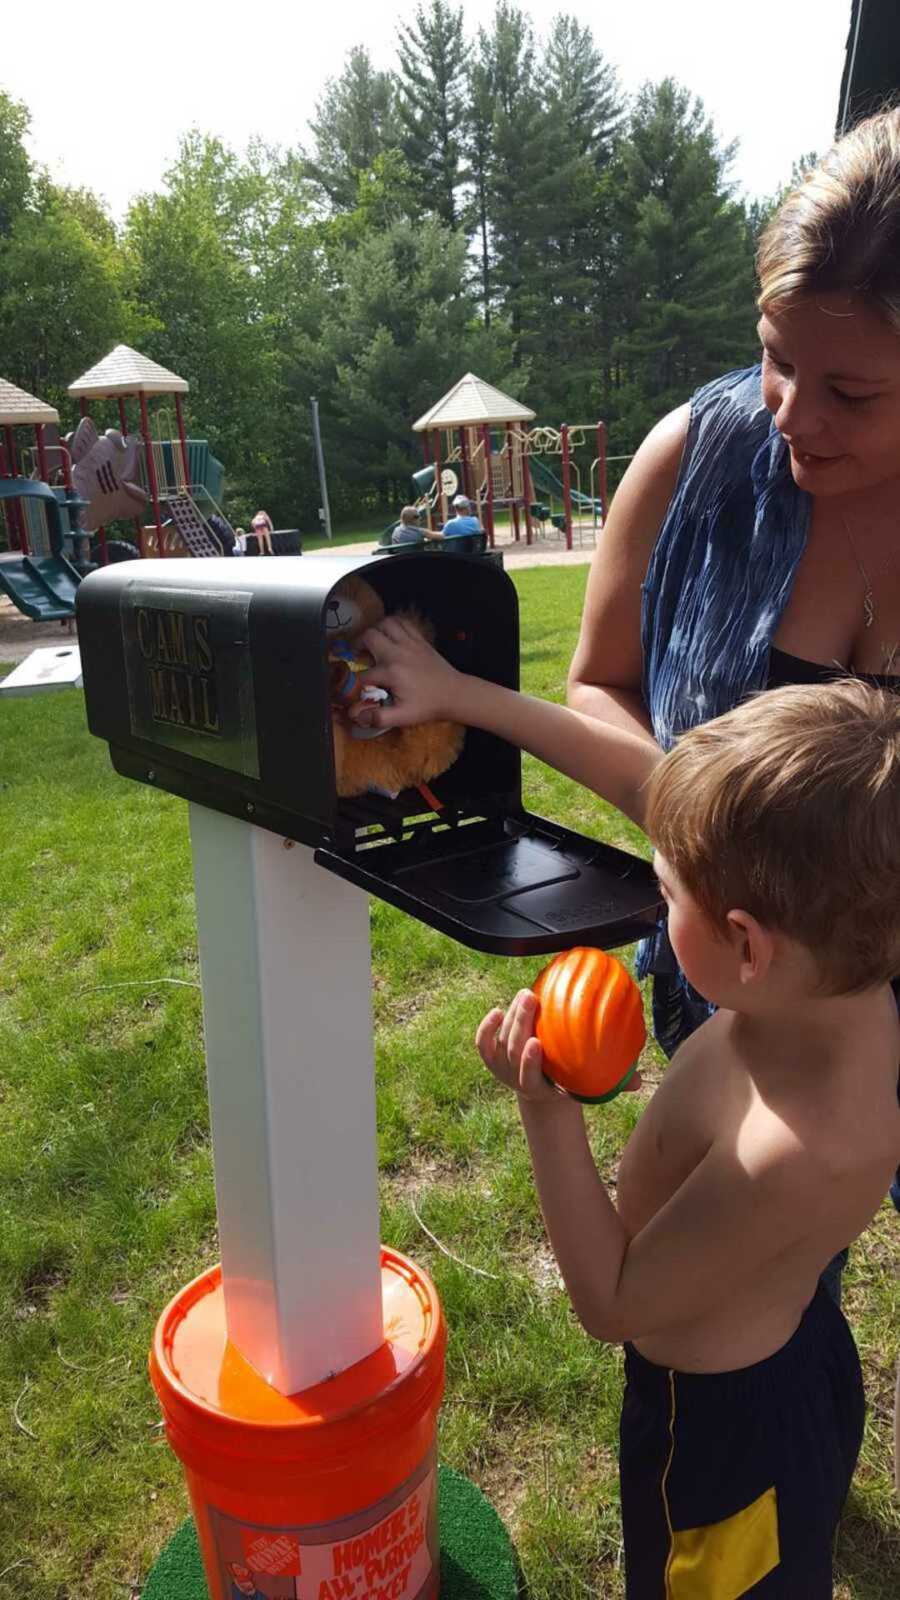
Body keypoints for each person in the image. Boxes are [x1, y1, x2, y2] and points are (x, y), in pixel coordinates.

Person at [352, 620, 900, 1596]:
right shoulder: (841, 971)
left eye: (662, 888)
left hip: (721, 1435)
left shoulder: (801, 1146)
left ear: (745, 945)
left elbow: (612, 1299)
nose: (651, 901)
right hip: (787, 1358)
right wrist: (461, 692)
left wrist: (548, 1114)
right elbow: (643, 782)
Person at [566, 108, 900, 1313]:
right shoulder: (695, 457)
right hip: (740, 995)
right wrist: (703, 828)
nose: (792, 413)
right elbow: (597, 681)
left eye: (851, 392)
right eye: (776, 355)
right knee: (766, 1287)